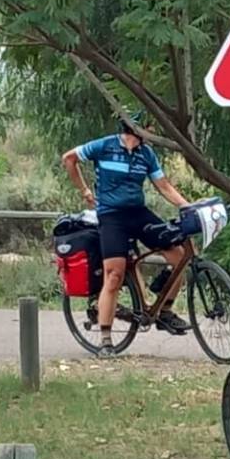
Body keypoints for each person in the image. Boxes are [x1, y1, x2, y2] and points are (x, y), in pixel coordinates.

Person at [62, 116, 190, 350]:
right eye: (150, 126)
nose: (153, 131)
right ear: (136, 127)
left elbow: (163, 186)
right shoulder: (104, 145)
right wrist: (85, 190)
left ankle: (166, 311)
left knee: (179, 255)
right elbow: (69, 158)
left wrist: (187, 206)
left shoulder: (147, 154)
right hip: (111, 216)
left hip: (138, 213)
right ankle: (106, 339)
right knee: (114, 274)